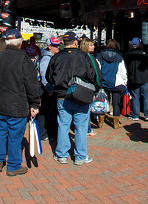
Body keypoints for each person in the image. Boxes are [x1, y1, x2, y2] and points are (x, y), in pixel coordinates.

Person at [0, 28, 40, 177]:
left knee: (0, 133)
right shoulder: (23, 59)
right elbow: (31, 84)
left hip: (0, 103)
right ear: (20, 43)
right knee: (15, 136)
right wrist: (35, 103)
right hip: (16, 104)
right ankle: (13, 165)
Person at [46, 31, 99, 165]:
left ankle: (61, 154)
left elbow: (49, 76)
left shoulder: (57, 57)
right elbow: (92, 76)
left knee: (63, 125)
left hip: (62, 95)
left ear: (64, 42)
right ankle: (80, 156)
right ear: (76, 42)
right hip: (81, 94)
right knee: (80, 126)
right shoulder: (84, 56)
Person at [97, 39, 127, 129]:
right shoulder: (119, 57)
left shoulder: (99, 55)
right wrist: (124, 82)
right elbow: (123, 72)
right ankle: (115, 123)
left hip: (103, 82)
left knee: (103, 101)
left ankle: (101, 121)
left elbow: (97, 69)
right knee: (116, 103)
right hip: (116, 83)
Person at [37, 36, 61, 139]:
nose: (58, 48)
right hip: (46, 89)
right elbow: (44, 75)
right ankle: (43, 133)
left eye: (58, 45)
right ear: (49, 46)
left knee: (49, 111)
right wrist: (49, 89)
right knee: (45, 111)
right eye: (55, 46)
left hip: (50, 87)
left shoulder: (51, 57)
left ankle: (47, 132)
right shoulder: (46, 59)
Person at [125, 38, 148, 121]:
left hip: (133, 79)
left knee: (135, 97)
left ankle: (135, 114)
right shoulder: (146, 56)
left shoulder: (127, 56)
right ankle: (147, 115)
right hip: (145, 78)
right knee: (146, 97)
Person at [80, 37, 102, 134]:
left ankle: (85, 128)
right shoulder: (90, 58)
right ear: (86, 46)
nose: (94, 47)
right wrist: (97, 86)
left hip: (81, 86)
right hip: (89, 87)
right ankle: (87, 129)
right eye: (91, 45)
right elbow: (95, 73)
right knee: (86, 110)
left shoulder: (80, 56)